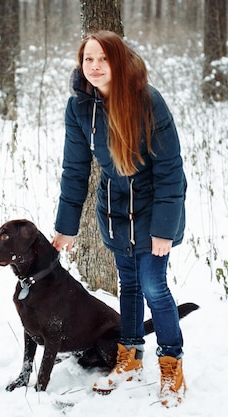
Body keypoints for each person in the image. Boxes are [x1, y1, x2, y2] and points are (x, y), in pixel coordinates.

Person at [51, 30, 188, 407]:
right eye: (87, 59)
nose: (94, 67)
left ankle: (171, 363)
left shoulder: (147, 101)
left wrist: (163, 229)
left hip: (154, 208)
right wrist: (66, 226)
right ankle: (129, 357)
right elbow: (75, 170)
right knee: (128, 284)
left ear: (118, 61)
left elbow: (170, 171)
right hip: (114, 211)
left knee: (153, 286)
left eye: (103, 59)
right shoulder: (79, 107)